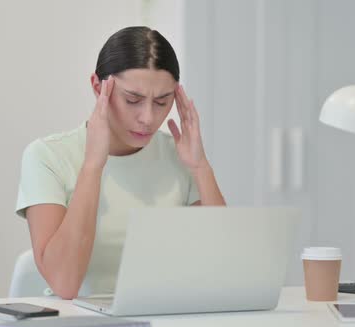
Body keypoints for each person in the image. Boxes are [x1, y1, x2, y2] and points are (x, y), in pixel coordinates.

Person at [16, 26, 225, 299]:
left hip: (167, 316)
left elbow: (223, 268)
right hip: (77, 321)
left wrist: (201, 167)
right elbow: (65, 283)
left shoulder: (180, 156)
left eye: (162, 102)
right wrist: (93, 165)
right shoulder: (47, 156)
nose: (148, 118)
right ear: (97, 86)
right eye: (133, 100)